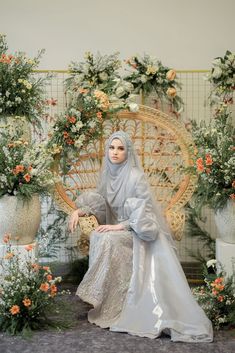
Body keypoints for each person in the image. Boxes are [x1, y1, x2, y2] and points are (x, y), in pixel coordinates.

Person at [69, 130, 213, 342]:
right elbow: (99, 203)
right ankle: (107, 300)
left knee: (107, 237)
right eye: (111, 147)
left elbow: (146, 214)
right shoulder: (108, 175)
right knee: (100, 236)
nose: (115, 152)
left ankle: (110, 298)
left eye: (120, 148)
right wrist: (79, 211)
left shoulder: (136, 177)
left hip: (139, 231)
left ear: (128, 153)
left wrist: (119, 227)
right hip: (117, 229)